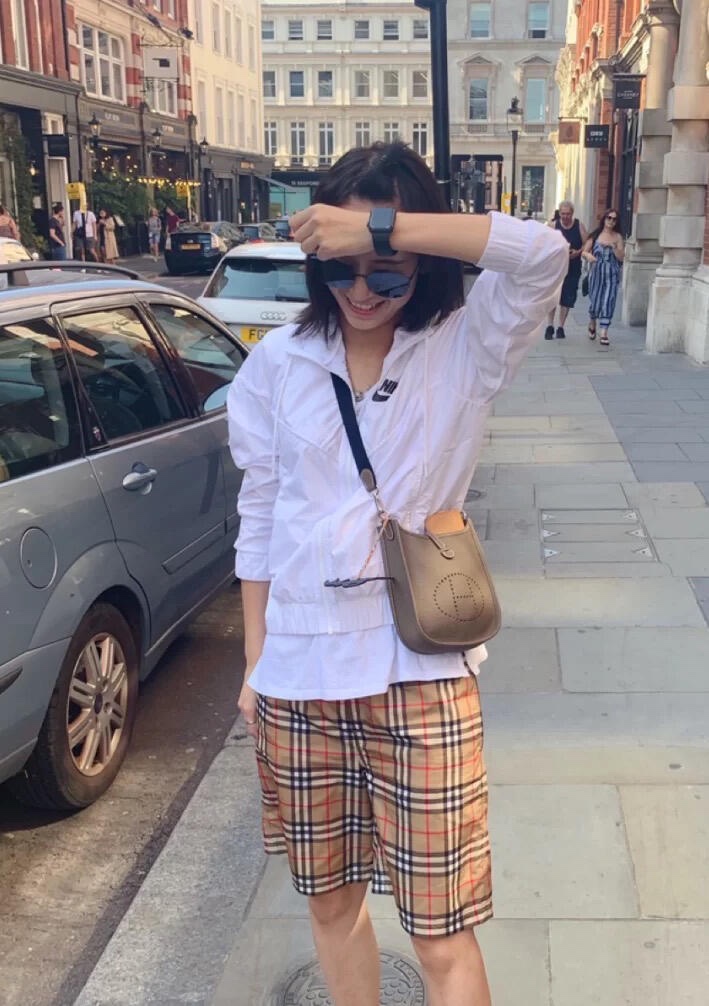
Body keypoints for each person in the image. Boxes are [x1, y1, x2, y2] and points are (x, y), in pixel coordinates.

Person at [227, 142, 568, 1006]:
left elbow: (542, 253)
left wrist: (380, 227)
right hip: (299, 681)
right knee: (330, 906)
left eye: (387, 271)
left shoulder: (467, 346)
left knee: (442, 930)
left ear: (421, 261)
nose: (363, 290)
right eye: (340, 269)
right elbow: (261, 516)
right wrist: (254, 662)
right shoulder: (277, 364)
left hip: (418, 673)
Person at [544, 200, 587, 340]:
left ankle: (560, 327)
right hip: (555, 267)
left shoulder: (579, 225)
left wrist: (578, 252)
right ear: (559, 213)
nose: (565, 217)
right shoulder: (553, 226)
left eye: (568, 214)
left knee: (567, 296)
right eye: (563, 214)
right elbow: (544, 244)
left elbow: (587, 243)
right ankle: (550, 326)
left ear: (572, 213)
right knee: (552, 296)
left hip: (572, 266)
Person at [582, 208, 624, 347]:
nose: (611, 221)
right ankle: (592, 321)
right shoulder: (596, 235)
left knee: (608, 300)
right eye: (609, 218)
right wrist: (589, 256)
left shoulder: (618, 237)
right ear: (604, 219)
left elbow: (621, 258)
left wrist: (614, 247)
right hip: (597, 273)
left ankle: (604, 332)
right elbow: (584, 252)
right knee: (595, 301)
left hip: (612, 273)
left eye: (614, 219)